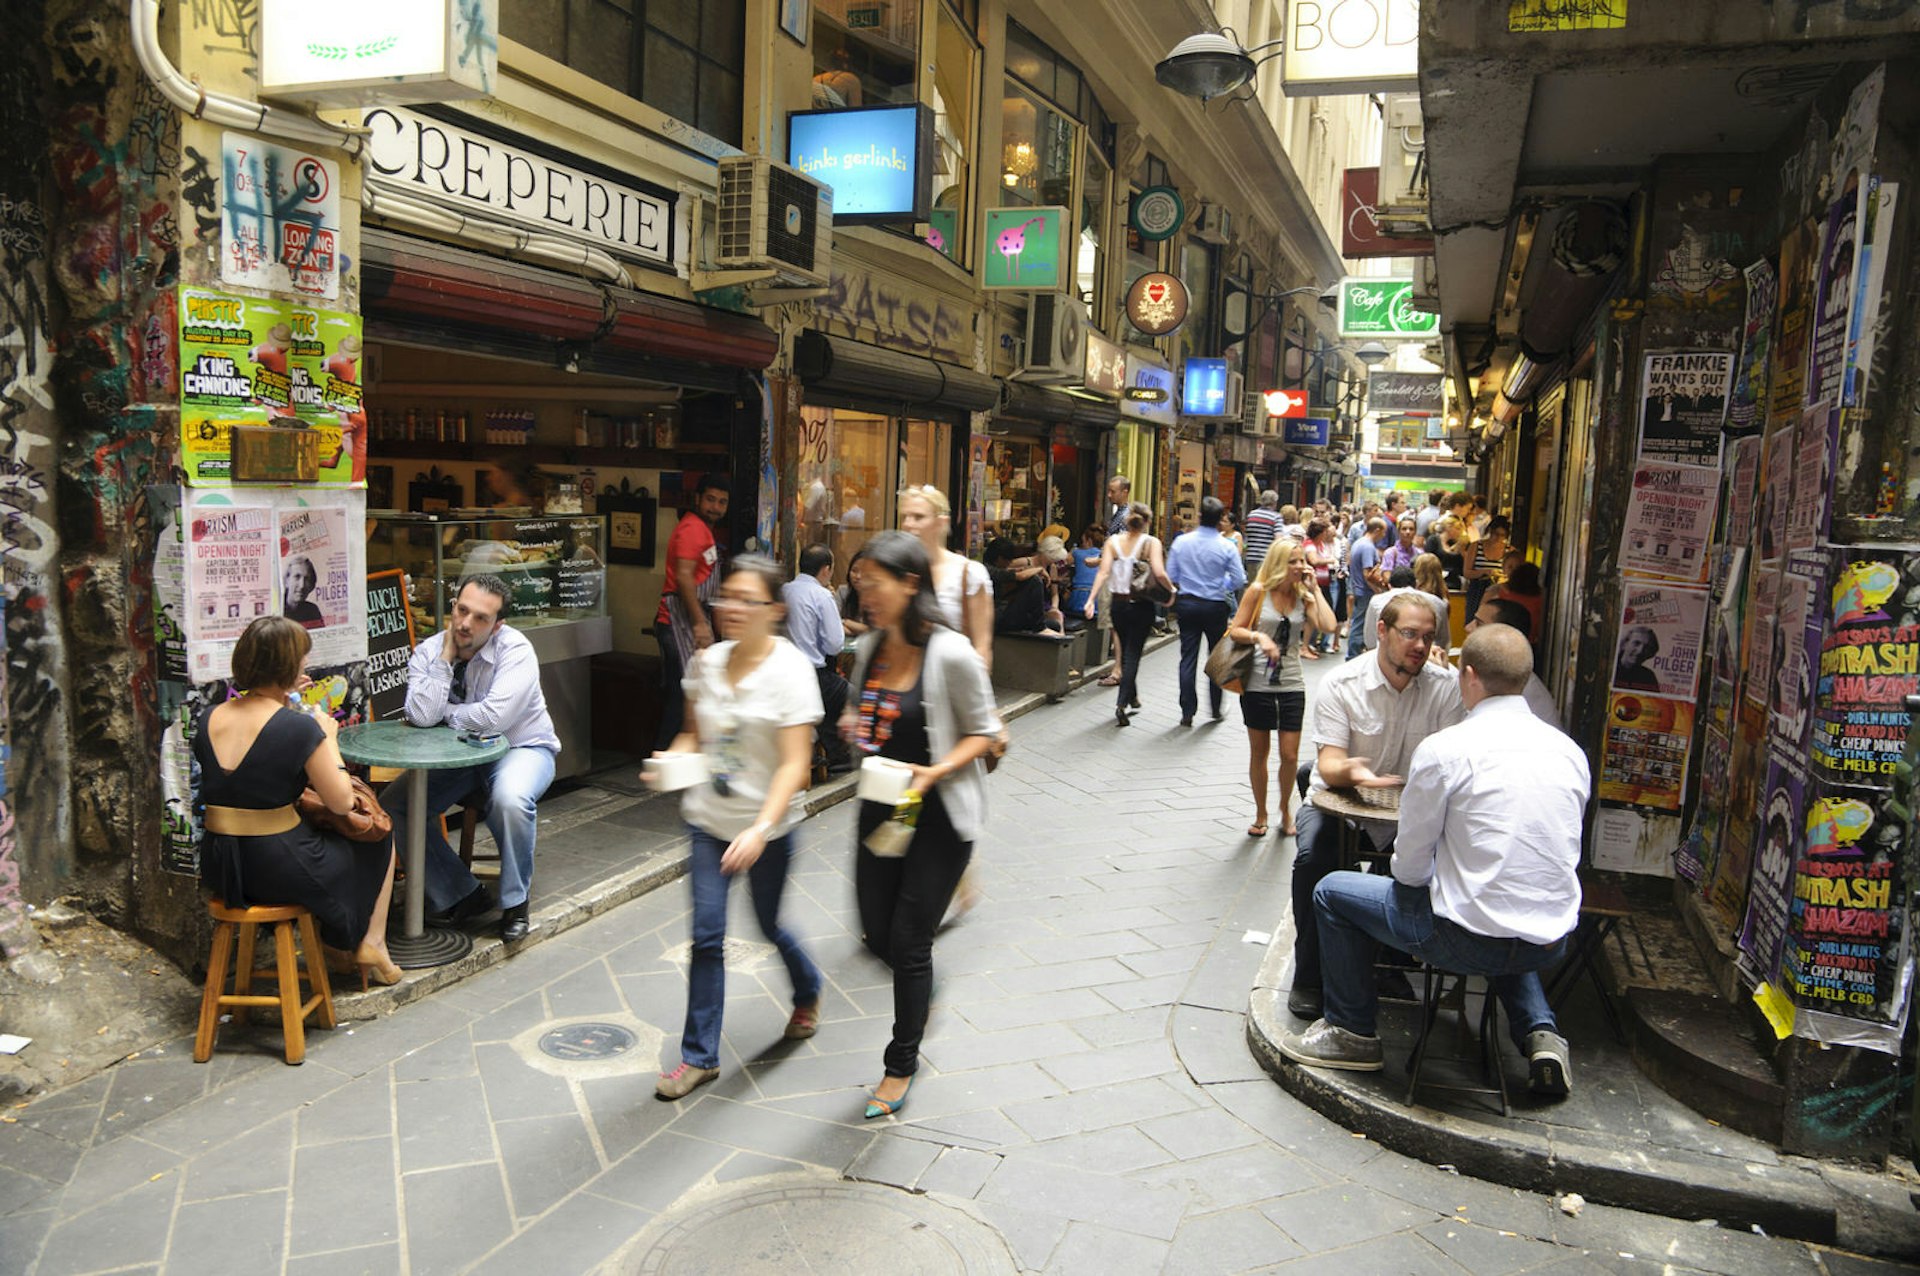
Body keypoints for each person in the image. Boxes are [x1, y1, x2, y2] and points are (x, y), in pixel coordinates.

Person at [1278, 624, 1585, 1099]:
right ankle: (1540, 1032)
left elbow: (1409, 869)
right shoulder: (1570, 753)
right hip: (1550, 941)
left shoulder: (1446, 750)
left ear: (1469, 677)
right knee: (1502, 908)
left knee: (1333, 891)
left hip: (1466, 939)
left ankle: (1351, 1031)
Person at [840, 532, 1002, 1119]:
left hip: (938, 817)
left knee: (910, 940)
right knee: (876, 933)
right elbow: (862, 713)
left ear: (911, 584)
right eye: (859, 583)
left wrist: (935, 772)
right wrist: (851, 725)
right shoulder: (869, 649)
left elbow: (987, 733)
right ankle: (923, 986)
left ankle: (899, 1063)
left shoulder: (951, 652)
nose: (865, 595)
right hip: (881, 807)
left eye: (875, 582)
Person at [652, 556, 826, 1100]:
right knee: (707, 935)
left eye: (746, 599)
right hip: (708, 820)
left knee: (769, 924)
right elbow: (693, 735)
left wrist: (759, 829)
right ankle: (698, 1057)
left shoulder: (792, 669)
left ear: (774, 609)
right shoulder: (707, 663)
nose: (730, 607)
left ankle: (808, 989)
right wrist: (670, 761)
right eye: (726, 596)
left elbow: (797, 763)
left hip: (767, 828)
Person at [197, 617, 402, 986]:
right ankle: (367, 941)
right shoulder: (300, 728)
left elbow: (251, 775)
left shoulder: (210, 717)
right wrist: (328, 740)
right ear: (288, 666)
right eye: (302, 660)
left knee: (325, 838)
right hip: (276, 866)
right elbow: (341, 803)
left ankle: (342, 948)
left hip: (221, 863)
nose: (306, 666)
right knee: (376, 833)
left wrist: (287, 706)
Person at [1287, 593, 1464, 1020]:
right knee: (1314, 859)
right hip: (1342, 803)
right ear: (1382, 632)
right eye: (1409, 634)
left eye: (1427, 636)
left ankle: (1392, 964)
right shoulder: (1343, 683)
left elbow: (1456, 764)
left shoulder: (1445, 689)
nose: (1419, 646)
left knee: (1423, 868)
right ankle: (1309, 974)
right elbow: (1326, 763)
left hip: (1410, 813)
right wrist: (1353, 773)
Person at [388, 575, 561, 943]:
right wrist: (446, 660)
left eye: (480, 618)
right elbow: (419, 715)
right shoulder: (431, 650)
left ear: (498, 625)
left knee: (509, 800)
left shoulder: (516, 650)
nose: (465, 623)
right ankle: (462, 894)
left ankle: (515, 903)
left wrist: (446, 713)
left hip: (522, 748)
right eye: (461, 610)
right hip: (462, 757)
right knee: (395, 804)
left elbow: (492, 720)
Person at [1229, 538, 1335, 838]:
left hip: (1291, 682)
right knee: (1259, 751)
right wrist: (1258, 638)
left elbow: (1328, 625)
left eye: (1302, 560)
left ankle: (1285, 810)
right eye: (1293, 561)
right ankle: (1261, 813)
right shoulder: (1258, 591)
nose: (1300, 566)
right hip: (1257, 683)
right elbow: (1236, 628)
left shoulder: (1305, 595)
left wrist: (1315, 589)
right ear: (1278, 564)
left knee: (1290, 755)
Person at [654, 475, 730, 750]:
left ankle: (676, 754)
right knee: (684, 693)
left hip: (689, 620)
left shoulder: (704, 530)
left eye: (722, 502)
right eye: (710, 499)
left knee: (688, 692)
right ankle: (664, 756)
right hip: (676, 621)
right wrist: (700, 623)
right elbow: (685, 578)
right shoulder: (691, 529)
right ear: (698, 499)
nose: (715, 507)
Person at [1083, 503, 1172, 726]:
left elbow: (1103, 572)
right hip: (1141, 605)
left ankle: (1131, 697)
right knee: (1132, 655)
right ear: (1147, 522)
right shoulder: (1151, 542)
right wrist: (1172, 591)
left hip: (1118, 604)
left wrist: (1090, 599)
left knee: (1124, 651)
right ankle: (1121, 703)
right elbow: (1160, 573)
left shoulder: (1113, 542)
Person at [1165, 496, 1246, 727]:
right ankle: (1216, 706)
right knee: (1216, 656)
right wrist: (1223, 585)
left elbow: (1172, 576)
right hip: (1215, 606)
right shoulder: (1226, 546)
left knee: (1187, 657)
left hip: (1188, 604)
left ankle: (1187, 710)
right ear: (1221, 520)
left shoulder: (1182, 542)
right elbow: (1239, 580)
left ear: (1200, 516)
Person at [899, 485, 992, 665]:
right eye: (904, 517)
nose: (908, 524)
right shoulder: (897, 569)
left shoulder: (969, 573)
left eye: (918, 517)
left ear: (941, 522)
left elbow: (982, 646)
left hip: (951, 680)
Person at [783, 544, 852, 775]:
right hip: (811, 676)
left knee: (830, 694)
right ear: (826, 570)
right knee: (852, 695)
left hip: (785, 674)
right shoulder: (822, 595)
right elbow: (835, 644)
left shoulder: (784, 590)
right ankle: (838, 754)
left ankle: (829, 752)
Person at [1469, 597, 1557, 723]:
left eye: (1478, 624)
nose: (1468, 628)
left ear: (1504, 637)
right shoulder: (1490, 674)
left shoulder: (1518, 686)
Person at [1344, 517, 1390, 659]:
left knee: (1359, 623)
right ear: (1377, 530)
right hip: (1365, 592)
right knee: (1359, 626)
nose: (1383, 536)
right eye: (1383, 533)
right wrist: (1377, 591)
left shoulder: (1359, 543)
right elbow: (1367, 574)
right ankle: (1352, 656)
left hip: (1359, 589)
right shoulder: (1368, 547)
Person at [1300, 519, 1337, 660]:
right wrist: (1330, 560)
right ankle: (1305, 645)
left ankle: (1308, 644)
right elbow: (1314, 560)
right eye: (1325, 532)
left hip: (1320, 583)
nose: (1327, 534)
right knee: (1310, 616)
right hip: (1310, 585)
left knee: (1314, 615)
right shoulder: (1309, 545)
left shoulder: (1320, 544)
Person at [1462, 515, 1511, 618]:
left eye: (1502, 535)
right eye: (1495, 534)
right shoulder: (1476, 546)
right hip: (1477, 590)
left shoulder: (1509, 551)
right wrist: (1484, 572)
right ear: (1490, 530)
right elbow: (1466, 572)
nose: (1498, 538)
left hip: (1498, 592)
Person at [1068, 526, 1105, 617]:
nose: (1082, 544)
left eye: (1083, 541)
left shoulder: (1077, 553)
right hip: (1099, 597)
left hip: (1079, 596)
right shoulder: (1104, 555)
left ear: (1089, 541)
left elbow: (1066, 561)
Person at [1242, 490, 1283, 569]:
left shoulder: (1252, 514)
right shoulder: (1276, 517)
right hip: (1266, 559)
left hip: (1251, 557)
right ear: (1275, 502)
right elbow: (1278, 539)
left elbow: (1248, 534)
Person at [1614, 624, 1662, 692]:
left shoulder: (1648, 677)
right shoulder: (1610, 666)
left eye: (1646, 648)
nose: (1640, 651)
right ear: (1625, 644)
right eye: (1636, 643)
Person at [282, 557, 325, 629]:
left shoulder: (312, 610)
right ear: (287, 581)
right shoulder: (276, 608)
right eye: (297, 577)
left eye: (307, 579)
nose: (302, 585)